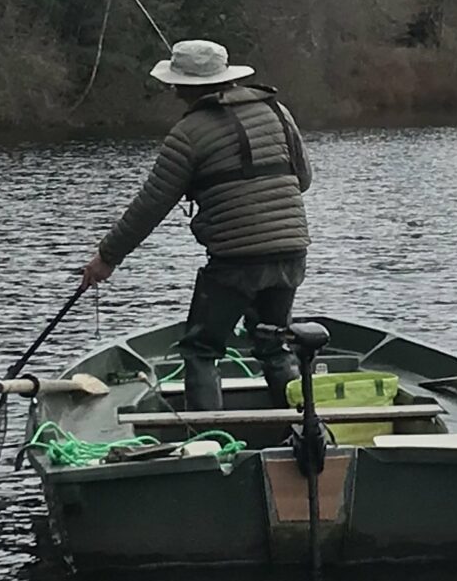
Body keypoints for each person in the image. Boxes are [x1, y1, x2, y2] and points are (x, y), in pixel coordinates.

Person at [81, 39, 311, 414]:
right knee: (273, 343)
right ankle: (299, 429)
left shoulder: (187, 134)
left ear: (183, 86)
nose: (171, 90)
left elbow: (150, 206)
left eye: (174, 83)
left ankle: (211, 439)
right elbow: (303, 179)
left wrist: (107, 258)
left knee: (201, 349)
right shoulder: (278, 112)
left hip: (235, 260)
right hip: (292, 250)